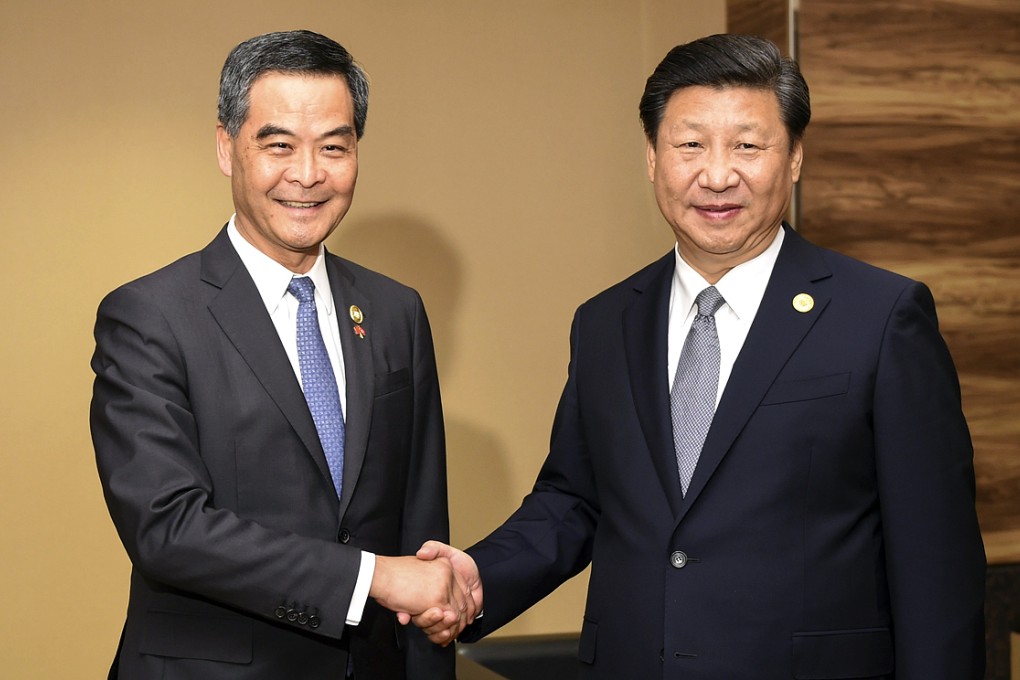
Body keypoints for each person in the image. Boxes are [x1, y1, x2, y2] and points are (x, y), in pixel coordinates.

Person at [414, 34, 986, 678]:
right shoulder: (606, 322)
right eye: (690, 145)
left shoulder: (881, 318)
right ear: (653, 158)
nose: (717, 175)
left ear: (794, 158)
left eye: (748, 145)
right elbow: (575, 499)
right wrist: (478, 578)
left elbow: (936, 564)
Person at [90, 30, 474, 680]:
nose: (307, 174)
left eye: (334, 146)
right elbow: (168, 529)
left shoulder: (394, 312)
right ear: (225, 147)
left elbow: (418, 531)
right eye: (278, 145)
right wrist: (370, 577)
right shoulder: (149, 317)